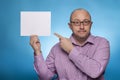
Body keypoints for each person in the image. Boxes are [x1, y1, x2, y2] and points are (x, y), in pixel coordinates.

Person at [30, 8, 110, 80]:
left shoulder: (102, 43)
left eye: (86, 22)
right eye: (76, 22)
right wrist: (37, 51)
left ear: (91, 24)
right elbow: (45, 77)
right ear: (70, 26)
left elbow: (95, 71)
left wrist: (71, 50)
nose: (82, 26)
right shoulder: (56, 48)